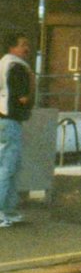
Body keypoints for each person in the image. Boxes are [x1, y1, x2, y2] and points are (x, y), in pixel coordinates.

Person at [0, 32, 33, 227]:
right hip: (10, 121)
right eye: (23, 45)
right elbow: (23, 98)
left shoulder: (3, 63)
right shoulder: (18, 67)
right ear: (13, 47)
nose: (26, 48)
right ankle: (2, 210)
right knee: (7, 168)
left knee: (8, 167)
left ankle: (8, 210)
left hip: (3, 120)